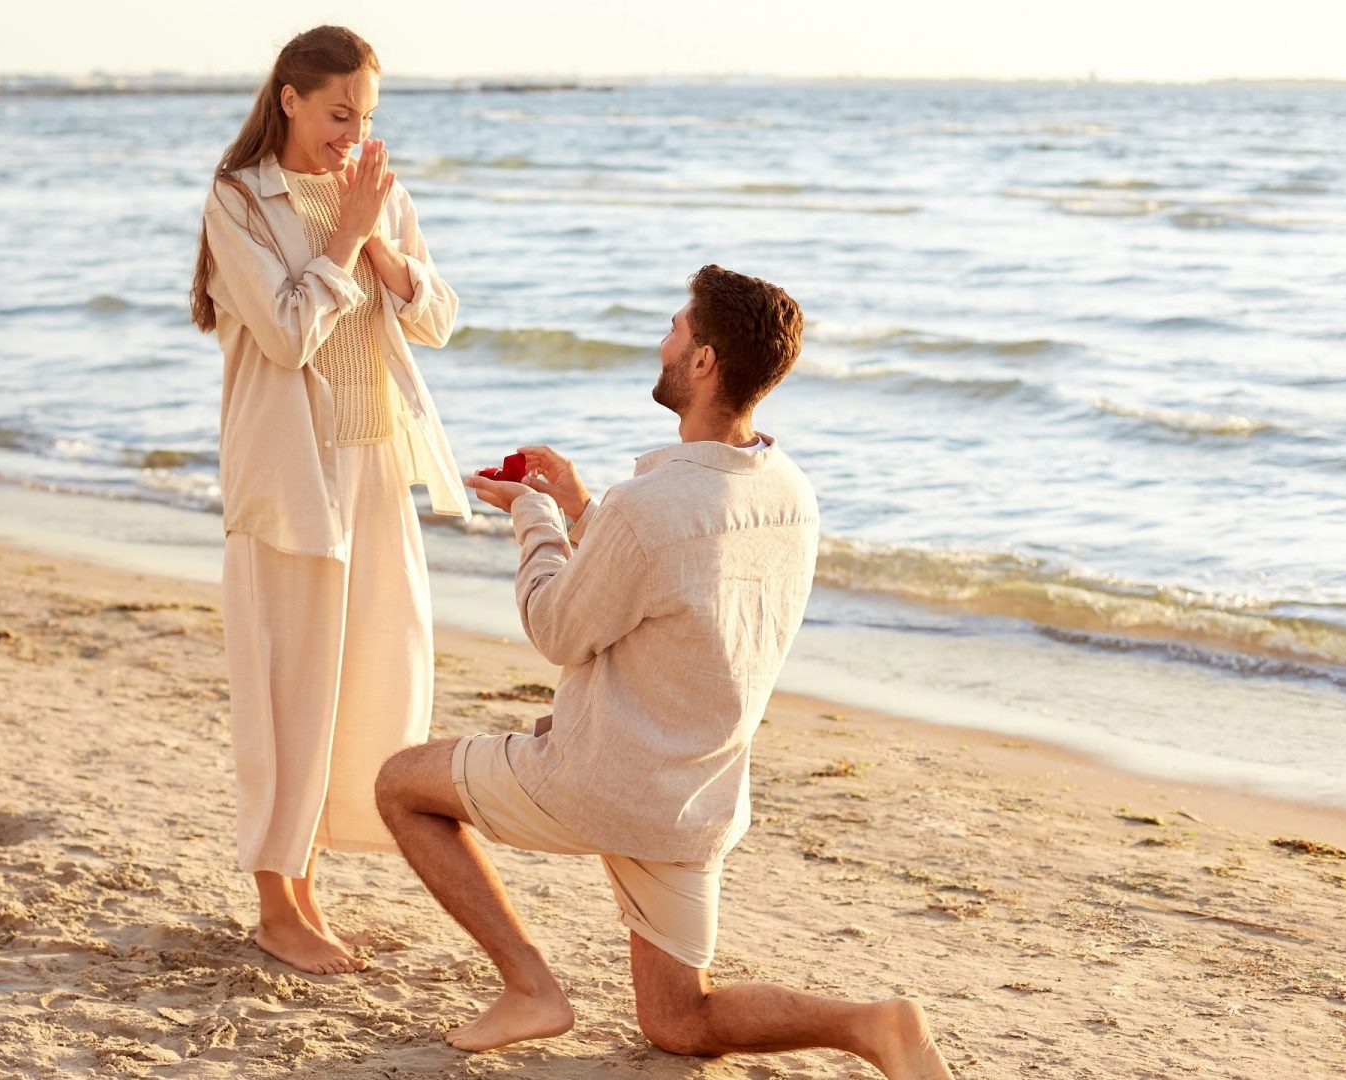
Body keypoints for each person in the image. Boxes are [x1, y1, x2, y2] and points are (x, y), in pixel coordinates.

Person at [374, 266, 955, 1078]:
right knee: (680, 1021)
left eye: (676, 329)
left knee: (402, 784)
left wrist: (536, 516)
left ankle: (531, 987)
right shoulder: (791, 493)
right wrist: (583, 508)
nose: (663, 340)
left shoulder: (651, 509)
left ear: (707, 361)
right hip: (695, 795)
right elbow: (681, 588)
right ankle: (873, 1025)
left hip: (599, 781)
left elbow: (557, 627)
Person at [190, 25, 466, 976]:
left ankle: (308, 891)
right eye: (340, 112)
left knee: (369, 685)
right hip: (291, 473)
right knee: (288, 690)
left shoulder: (376, 193)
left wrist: (390, 255)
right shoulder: (240, 200)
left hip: (377, 462)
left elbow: (438, 320)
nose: (354, 132)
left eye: (369, 116)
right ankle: (277, 904)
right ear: (291, 99)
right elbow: (289, 334)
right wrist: (350, 236)